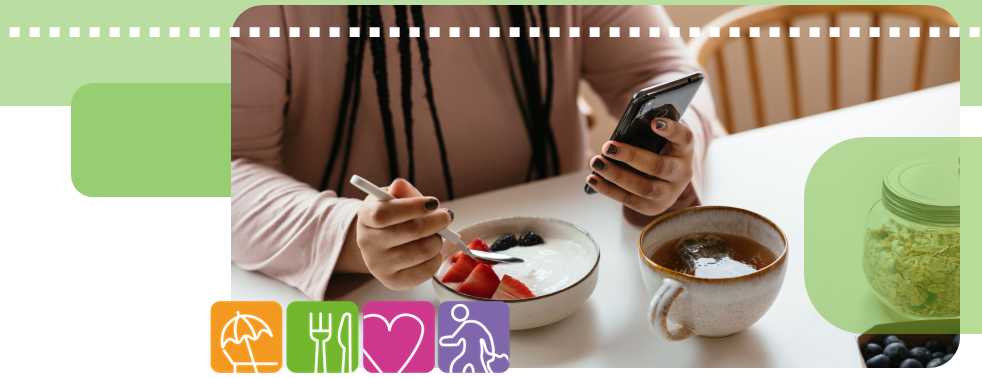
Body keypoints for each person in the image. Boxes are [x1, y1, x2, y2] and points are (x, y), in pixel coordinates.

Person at [231, 5, 718, 300]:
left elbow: (660, 71)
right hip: (371, 317)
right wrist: (347, 232)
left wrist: (668, 158)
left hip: (570, 290)